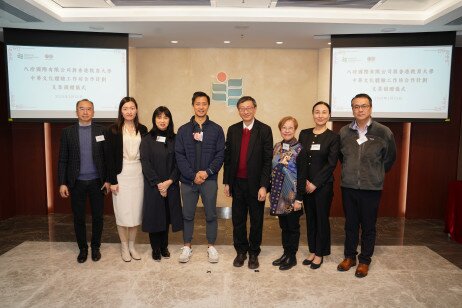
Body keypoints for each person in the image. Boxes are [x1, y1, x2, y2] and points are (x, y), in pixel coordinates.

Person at [337, 93, 396, 278]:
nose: (360, 109)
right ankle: (349, 257)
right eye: (356, 106)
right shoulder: (344, 132)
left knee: (369, 226)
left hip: (371, 187)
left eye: (364, 106)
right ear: (352, 109)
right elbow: (342, 157)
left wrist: (374, 174)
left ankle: (364, 261)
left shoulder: (383, 132)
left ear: (370, 108)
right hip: (348, 186)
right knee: (350, 224)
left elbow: (389, 159)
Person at [223, 96, 273, 269]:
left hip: (256, 185)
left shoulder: (264, 130)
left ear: (255, 109)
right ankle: (241, 251)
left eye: (249, 108)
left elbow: (268, 160)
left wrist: (264, 185)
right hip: (237, 183)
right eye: (242, 108)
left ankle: (253, 253)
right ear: (238, 110)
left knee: (256, 220)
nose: (246, 111)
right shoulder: (233, 129)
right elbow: (228, 159)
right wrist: (227, 182)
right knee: (238, 220)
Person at [175, 91, 225, 263]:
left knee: (211, 214)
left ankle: (211, 246)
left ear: (208, 106)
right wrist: (192, 175)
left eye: (204, 103)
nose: (201, 107)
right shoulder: (183, 130)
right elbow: (179, 155)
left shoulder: (217, 129)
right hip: (188, 181)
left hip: (209, 180)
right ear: (193, 105)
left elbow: (220, 155)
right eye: (198, 103)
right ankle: (187, 246)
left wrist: (207, 172)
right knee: (187, 215)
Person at [58, 98, 110, 263]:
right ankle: (82, 249)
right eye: (82, 109)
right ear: (76, 112)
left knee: (98, 217)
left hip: (97, 181)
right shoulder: (68, 132)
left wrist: (108, 180)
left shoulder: (102, 131)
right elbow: (63, 159)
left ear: (93, 112)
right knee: (78, 217)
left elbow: (107, 159)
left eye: (89, 109)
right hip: (76, 182)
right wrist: (62, 182)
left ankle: (95, 247)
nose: (85, 112)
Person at [298, 101, 339, 269]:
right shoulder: (304, 134)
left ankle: (320, 253)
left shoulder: (333, 137)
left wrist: (315, 183)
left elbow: (331, 164)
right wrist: (305, 181)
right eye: (317, 112)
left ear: (328, 115)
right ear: (313, 114)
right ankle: (312, 250)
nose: (320, 115)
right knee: (310, 219)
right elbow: (300, 159)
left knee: (322, 219)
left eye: (324, 112)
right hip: (306, 184)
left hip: (323, 186)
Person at [106, 97, 147, 262]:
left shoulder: (143, 129)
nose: (129, 111)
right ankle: (123, 246)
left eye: (132, 108)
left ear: (136, 110)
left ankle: (132, 245)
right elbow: (108, 157)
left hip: (138, 173)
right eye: (125, 108)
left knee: (135, 212)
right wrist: (112, 180)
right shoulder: (113, 130)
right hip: (120, 175)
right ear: (121, 111)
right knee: (122, 213)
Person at [140, 106, 183, 261]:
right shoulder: (147, 139)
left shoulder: (176, 139)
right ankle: (155, 248)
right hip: (153, 186)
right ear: (154, 119)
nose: (162, 120)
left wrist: (169, 181)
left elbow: (179, 162)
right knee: (155, 217)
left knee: (166, 216)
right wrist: (158, 184)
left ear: (169, 120)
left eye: (165, 117)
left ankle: (164, 246)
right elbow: (145, 163)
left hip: (170, 185)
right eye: (159, 117)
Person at [270, 116, 306, 271]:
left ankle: (292, 257)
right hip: (278, 194)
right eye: (284, 127)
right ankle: (286, 253)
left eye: (290, 127)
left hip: (292, 196)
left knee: (292, 227)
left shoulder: (300, 149)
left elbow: (303, 176)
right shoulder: (277, 146)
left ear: (295, 129)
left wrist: (299, 199)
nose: (287, 130)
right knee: (283, 226)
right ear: (280, 129)